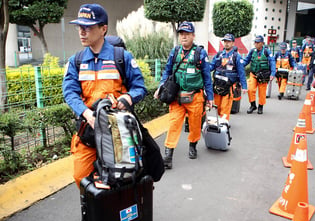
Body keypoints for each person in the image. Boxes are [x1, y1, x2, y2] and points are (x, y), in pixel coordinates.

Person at [63, 3, 147, 188]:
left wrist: (127, 98)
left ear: (103, 29)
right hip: (89, 130)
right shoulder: (76, 61)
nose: (82, 32)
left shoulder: (121, 57)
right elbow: (69, 92)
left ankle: (116, 214)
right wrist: (86, 113)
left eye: (88, 27)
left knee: (121, 178)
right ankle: (92, 214)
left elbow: (139, 87)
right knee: (81, 177)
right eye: (80, 27)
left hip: (118, 132)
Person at [154, 21, 213, 169]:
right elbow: (167, 72)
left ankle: (192, 145)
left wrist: (210, 98)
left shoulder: (200, 53)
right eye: (181, 34)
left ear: (193, 35)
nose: (184, 36)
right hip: (177, 98)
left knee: (194, 126)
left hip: (195, 98)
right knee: (173, 125)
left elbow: (207, 77)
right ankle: (168, 156)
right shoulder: (175, 52)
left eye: (187, 34)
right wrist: (161, 87)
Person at [209, 33, 247, 120]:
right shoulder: (219, 55)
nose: (226, 43)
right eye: (225, 41)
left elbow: (241, 72)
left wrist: (244, 86)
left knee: (225, 108)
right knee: (218, 107)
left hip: (229, 87)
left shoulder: (236, 56)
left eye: (228, 41)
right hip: (217, 85)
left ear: (233, 43)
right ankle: (222, 120)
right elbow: (211, 66)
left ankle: (224, 125)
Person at [242, 35, 276, 114]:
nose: (256, 44)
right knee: (250, 90)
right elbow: (246, 60)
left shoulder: (267, 52)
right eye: (255, 42)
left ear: (262, 43)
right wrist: (239, 66)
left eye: (258, 42)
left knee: (262, 92)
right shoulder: (252, 51)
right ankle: (253, 105)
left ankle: (260, 106)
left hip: (263, 76)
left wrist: (272, 73)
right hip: (253, 74)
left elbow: (272, 62)